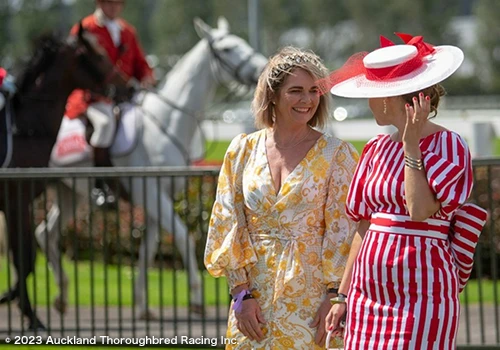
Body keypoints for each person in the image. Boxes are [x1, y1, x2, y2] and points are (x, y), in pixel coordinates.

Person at [323, 33, 488, 349]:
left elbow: (419, 209)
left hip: (422, 296)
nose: (369, 102)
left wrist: (411, 146)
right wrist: (342, 296)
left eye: (372, 95)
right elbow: (363, 227)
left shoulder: (448, 145)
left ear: (388, 98)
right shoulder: (376, 148)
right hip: (366, 295)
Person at [204, 46, 359, 349]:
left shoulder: (337, 155)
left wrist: (335, 297)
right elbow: (227, 220)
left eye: (314, 91)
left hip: (314, 304)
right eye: (296, 91)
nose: (307, 100)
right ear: (272, 94)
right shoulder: (242, 150)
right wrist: (241, 294)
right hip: (253, 305)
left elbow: (344, 232)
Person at [64, 0, 155, 204]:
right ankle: (100, 184)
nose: (113, 7)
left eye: (118, 3)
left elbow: (141, 64)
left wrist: (148, 76)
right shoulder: (86, 28)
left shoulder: (128, 31)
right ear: (99, 3)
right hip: (92, 98)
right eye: (109, 3)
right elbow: (74, 69)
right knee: (104, 125)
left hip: (123, 97)